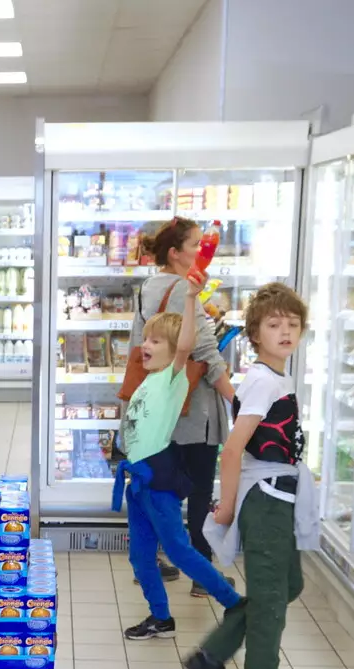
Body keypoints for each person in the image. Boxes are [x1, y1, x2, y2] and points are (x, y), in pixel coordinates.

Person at [185, 282, 321, 669]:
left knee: (287, 586)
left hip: (279, 497)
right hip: (265, 501)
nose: (285, 331)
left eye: (293, 324)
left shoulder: (277, 376)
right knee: (269, 602)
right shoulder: (263, 381)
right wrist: (225, 505)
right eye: (274, 324)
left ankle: (211, 655)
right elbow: (233, 447)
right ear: (255, 334)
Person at [114, 277, 243, 641]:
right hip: (138, 483)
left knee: (179, 550)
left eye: (156, 341)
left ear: (174, 353)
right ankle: (161, 618)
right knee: (140, 558)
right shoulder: (150, 378)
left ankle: (233, 601)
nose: (146, 345)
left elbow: (186, 344)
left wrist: (190, 298)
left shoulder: (173, 378)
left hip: (160, 483)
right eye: (146, 338)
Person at [122, 218, 236, 597]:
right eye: (196, 246)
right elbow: (202, 349)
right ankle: (203, 576)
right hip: (194, 411)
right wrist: (236, 397)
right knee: (200, 489)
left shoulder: (148, 287)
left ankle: (151, 558)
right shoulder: (181, 289)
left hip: (165, 409)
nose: (205, 252)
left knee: (163, 487)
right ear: (175, 253)